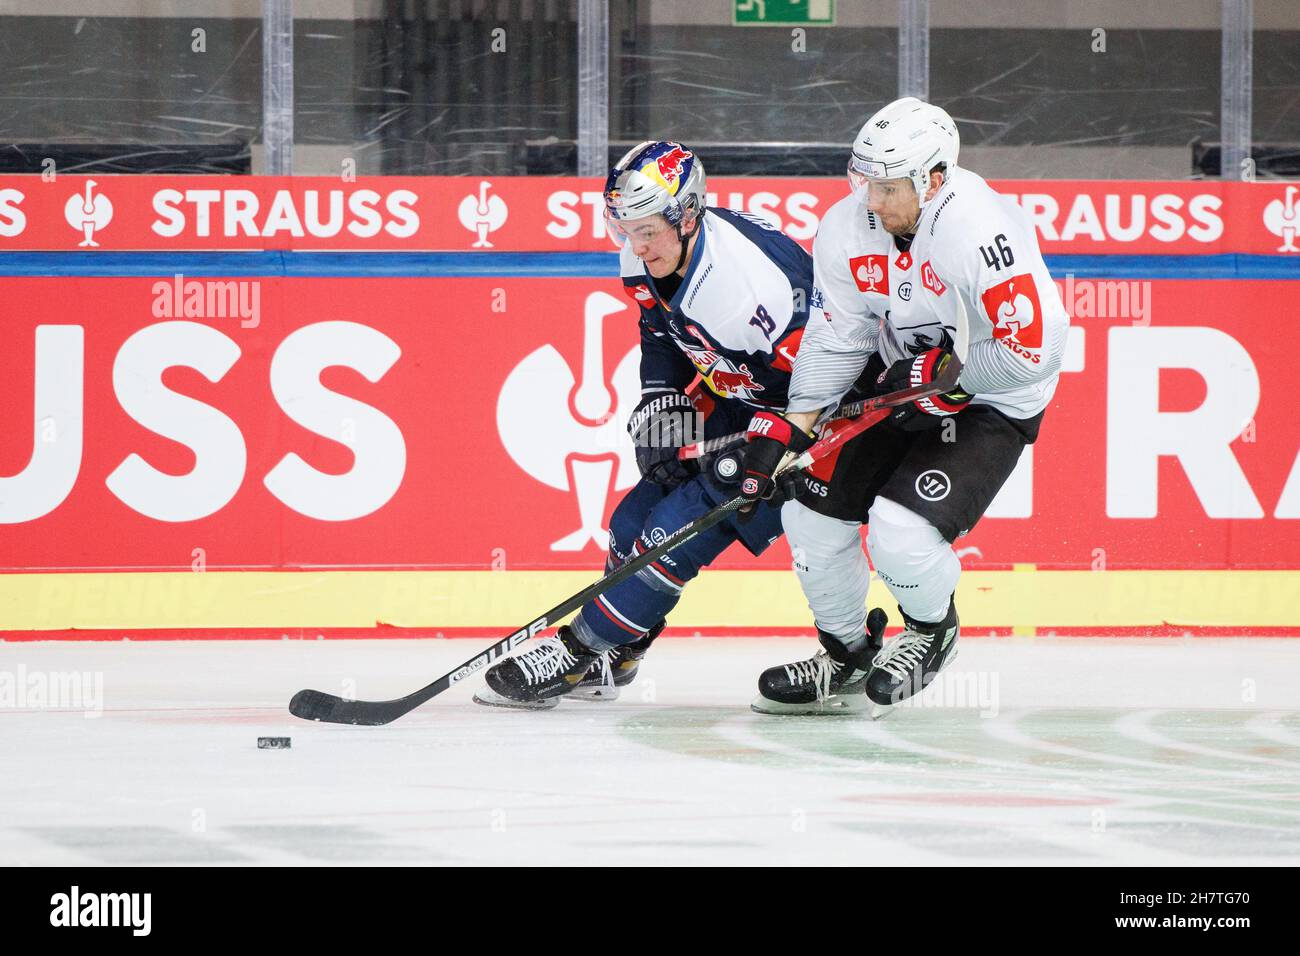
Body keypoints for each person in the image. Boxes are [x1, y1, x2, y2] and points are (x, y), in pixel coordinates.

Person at [740, 97, 1070, 716]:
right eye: (864, 182)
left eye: (887, 187)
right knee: (809, 520)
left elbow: (1036, 351)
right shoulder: (845, 227)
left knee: (900, 531)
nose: (871, 201)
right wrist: (795, 422)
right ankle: (844, 654)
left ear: (934, 179)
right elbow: (840, 335)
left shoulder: (981, 229)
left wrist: (955, 381)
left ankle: (930, 630)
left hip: (991, 399)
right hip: (900, 382)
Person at [475, 140, 818, 709]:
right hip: (744, 396)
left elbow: (823, 376)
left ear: (687, 215)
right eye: (624, 229)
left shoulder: (744, 287)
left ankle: (578, 649)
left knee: (670, 536)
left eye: (647, 230)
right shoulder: (650, 252)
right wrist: (662, 398)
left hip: (805, 417)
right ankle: (617, 656)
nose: (635, 244)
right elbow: (661, 331)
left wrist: (780, 445)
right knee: (630, 519)